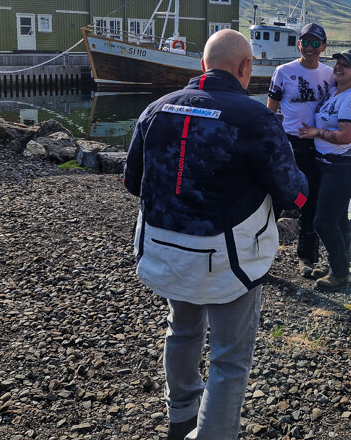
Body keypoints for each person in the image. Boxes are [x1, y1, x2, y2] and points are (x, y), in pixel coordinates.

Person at [123, 29, 308, 440]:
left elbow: (133, 181)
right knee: (229, 357)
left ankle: (181, 418)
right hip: (229, 257)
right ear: (246, 67)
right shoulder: (257, 119)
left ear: (203, 64)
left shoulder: (155, 110)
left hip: (164, 248)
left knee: (182, 328)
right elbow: (292, 193)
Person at [297, 48, 351, 291]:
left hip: (342, 169)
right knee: (338, 220)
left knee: (323, 221)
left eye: (345, 65)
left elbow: (346, 136)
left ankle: (340, 275)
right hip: (328, 166)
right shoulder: (334, 92)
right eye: (337, 62)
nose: (338, 67)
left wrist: (316, 132)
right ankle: (337, 266)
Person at [266, 22, 335, 279]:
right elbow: (270, 113)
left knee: (311, 201)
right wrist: (268, 145)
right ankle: (261, 258)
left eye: (316, 43)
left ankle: (307, 259)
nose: (310, 48)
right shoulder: (283, 72)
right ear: (299, 45)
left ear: (324, 47)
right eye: (305, 42)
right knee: (275, 199)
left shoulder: (330, 74)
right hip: (289, 144)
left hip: (317, 145)